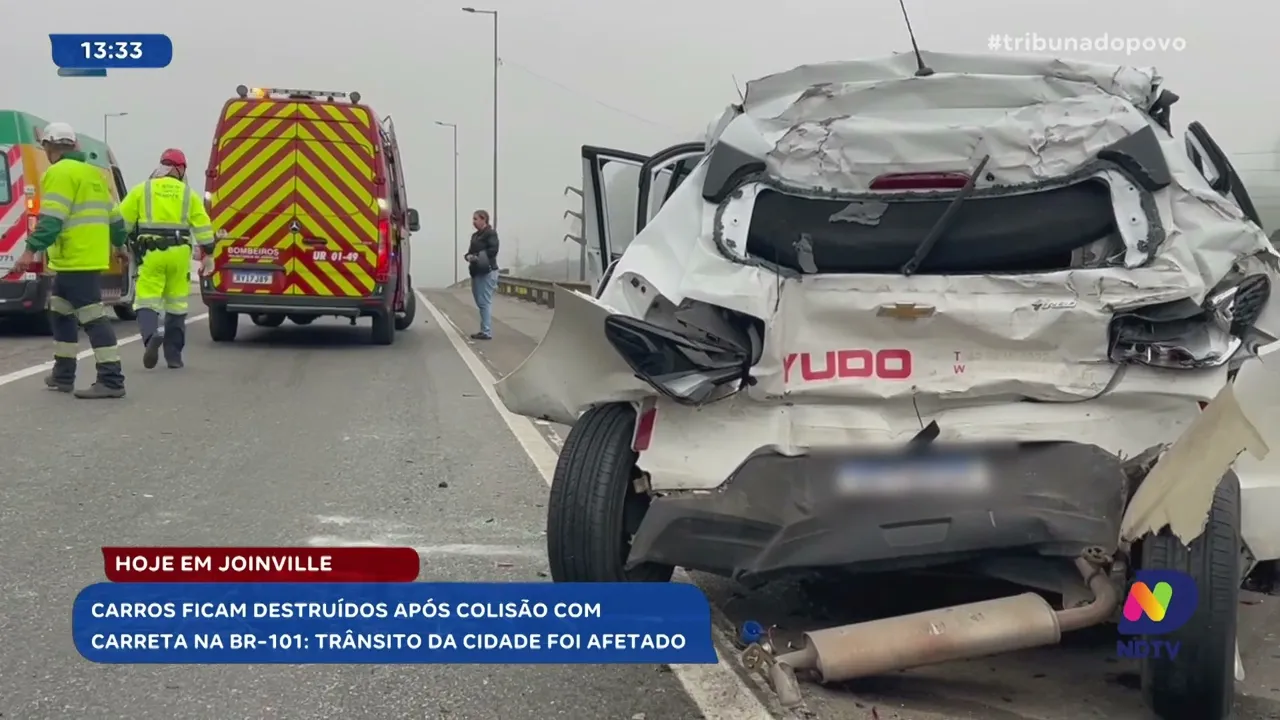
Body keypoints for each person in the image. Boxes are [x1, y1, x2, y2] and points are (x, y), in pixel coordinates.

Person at [12, 122, 128, 398]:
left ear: (50, 148)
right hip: (77, 260)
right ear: (73, 146)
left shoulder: (58, 173)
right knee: (61, 312)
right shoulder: (93, 175)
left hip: (76, 259)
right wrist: (120, 245)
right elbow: (115, 217)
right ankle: (63, 375)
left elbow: (52, 219)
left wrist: (30, 251)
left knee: (93, 318)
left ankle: (111, 380)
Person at [117, 149, 216, 369]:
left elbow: (120, 221)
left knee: (146, 301)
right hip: (179, 254)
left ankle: (151, 337)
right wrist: (208, 252)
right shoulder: (188, 194)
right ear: (181, 169)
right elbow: (203, 228)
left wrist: (120, 245)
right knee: (177, 304)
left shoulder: (143, 190)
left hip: (151, 254)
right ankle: (174, 356)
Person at [465, 209, 500, 340]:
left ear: (483, 219)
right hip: (476, 271)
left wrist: (478, 256)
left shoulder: (490, 234)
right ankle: (484, 329)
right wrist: (468, 256)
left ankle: (486, 331)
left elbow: (493, 250)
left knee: (484, 301)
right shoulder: (475, 236)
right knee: (480, 301)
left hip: (487, 271)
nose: (473, 222)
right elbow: (469, 251)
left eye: (476, 219)